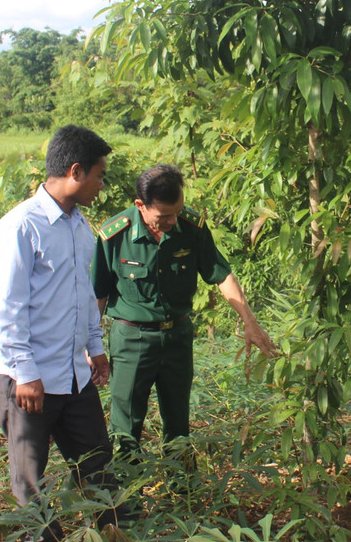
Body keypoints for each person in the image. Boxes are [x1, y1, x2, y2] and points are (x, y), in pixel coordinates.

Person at [91, 164, 276, 462]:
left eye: (177, 211)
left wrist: (250, 322)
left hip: (177, 336)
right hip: (131, 339)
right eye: (163, 216)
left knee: (178, 425)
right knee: (126, 428)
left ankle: (183, 492)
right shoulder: (115, 236)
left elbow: (221, 274)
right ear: (141, 205)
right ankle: (126, 501)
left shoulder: (191, 228)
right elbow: (98, 294)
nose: (172, 221)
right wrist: (90, 344)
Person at [0, 125, 125, 541]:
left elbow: (84, 296)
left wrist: (95, 347)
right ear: (76, 171)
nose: (101, 186)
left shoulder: (80, 226)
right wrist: (26, 373)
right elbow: (11, 309)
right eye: (100, 175)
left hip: (74, 375)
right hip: (29, 379)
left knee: (98, 466)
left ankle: (112, 534)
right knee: (30, 482)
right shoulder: (20, 225)